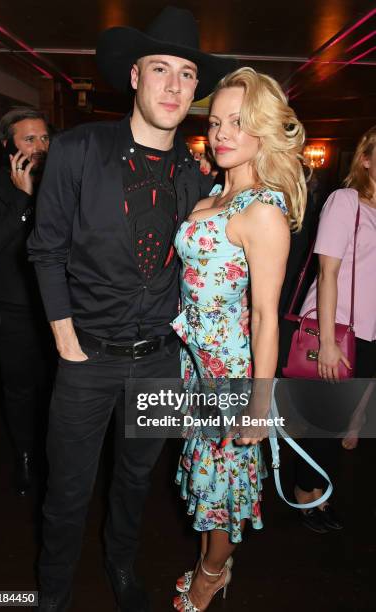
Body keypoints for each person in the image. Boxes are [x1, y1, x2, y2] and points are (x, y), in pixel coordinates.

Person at [27, 7, 237, 612]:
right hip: (86, 358)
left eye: (188, 75)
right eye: (161, 69)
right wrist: (65, 340)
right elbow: (45, 250)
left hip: (161, 363)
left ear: (197, 90)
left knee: (135, 481)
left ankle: (120, 565)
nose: (174, 85)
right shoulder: (76, 150)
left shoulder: (199, 177)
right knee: (66, 490)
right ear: (136, 77)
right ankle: (53, 594)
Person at [170, 67, 306, 612]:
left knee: (222, 485)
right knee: (205, 480)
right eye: (217, 121)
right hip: (195, 365)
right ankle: (210, 560)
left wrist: (260, 402)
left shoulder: (262, 211)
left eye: (238, 122)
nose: (221, 133)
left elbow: (266, 316)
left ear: (263, 131)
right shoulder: (212, 193)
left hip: (230, 373)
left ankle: (210, 574)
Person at [293, 125, 376, 529]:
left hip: (370, 331)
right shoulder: (346, 202)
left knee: (343, 421)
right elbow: (327, 273)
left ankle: (321, 494)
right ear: (365, 159)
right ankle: (307, 498)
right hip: (337, 327)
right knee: (324, 418)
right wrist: (326, 341)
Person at [0, 108, 52, 495]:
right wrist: (23, 199)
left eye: (43, 138)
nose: (38, 147)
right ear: (8, 145)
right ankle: (24, 460)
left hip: (61, 311)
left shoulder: (60, 183)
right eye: (28, 139)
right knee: (20, 392)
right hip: (14, 311)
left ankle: (55, 459)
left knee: (58, 391)